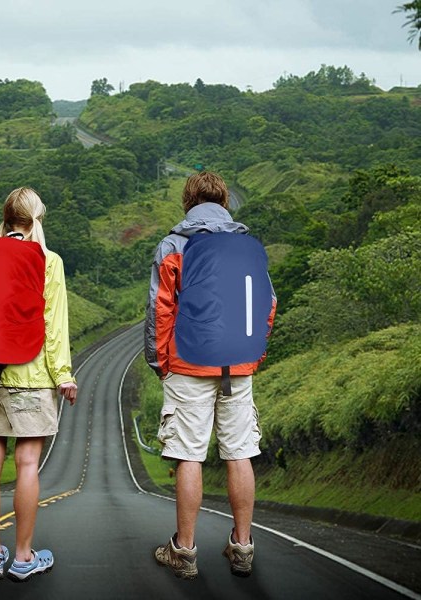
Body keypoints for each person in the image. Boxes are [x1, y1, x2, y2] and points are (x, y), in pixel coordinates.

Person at [144, 171, 276, 580]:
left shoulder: (174, 244)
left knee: (188, 454)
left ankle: (184, 551)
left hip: (188, 362)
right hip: (238, 363)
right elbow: (268, 304)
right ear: (225, 202)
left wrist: (159, 361)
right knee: (239, 451)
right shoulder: (247, 247)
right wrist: (254, 353)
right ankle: (242, 547)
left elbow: (159, 310)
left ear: (188, 202)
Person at [0, 187, 78, 582]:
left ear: (7, 217)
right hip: (30, 377)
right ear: (36, 219)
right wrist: (63, 375)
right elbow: (54, 325)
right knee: (27, 463)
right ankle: (24, 556)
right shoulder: (48, 261)